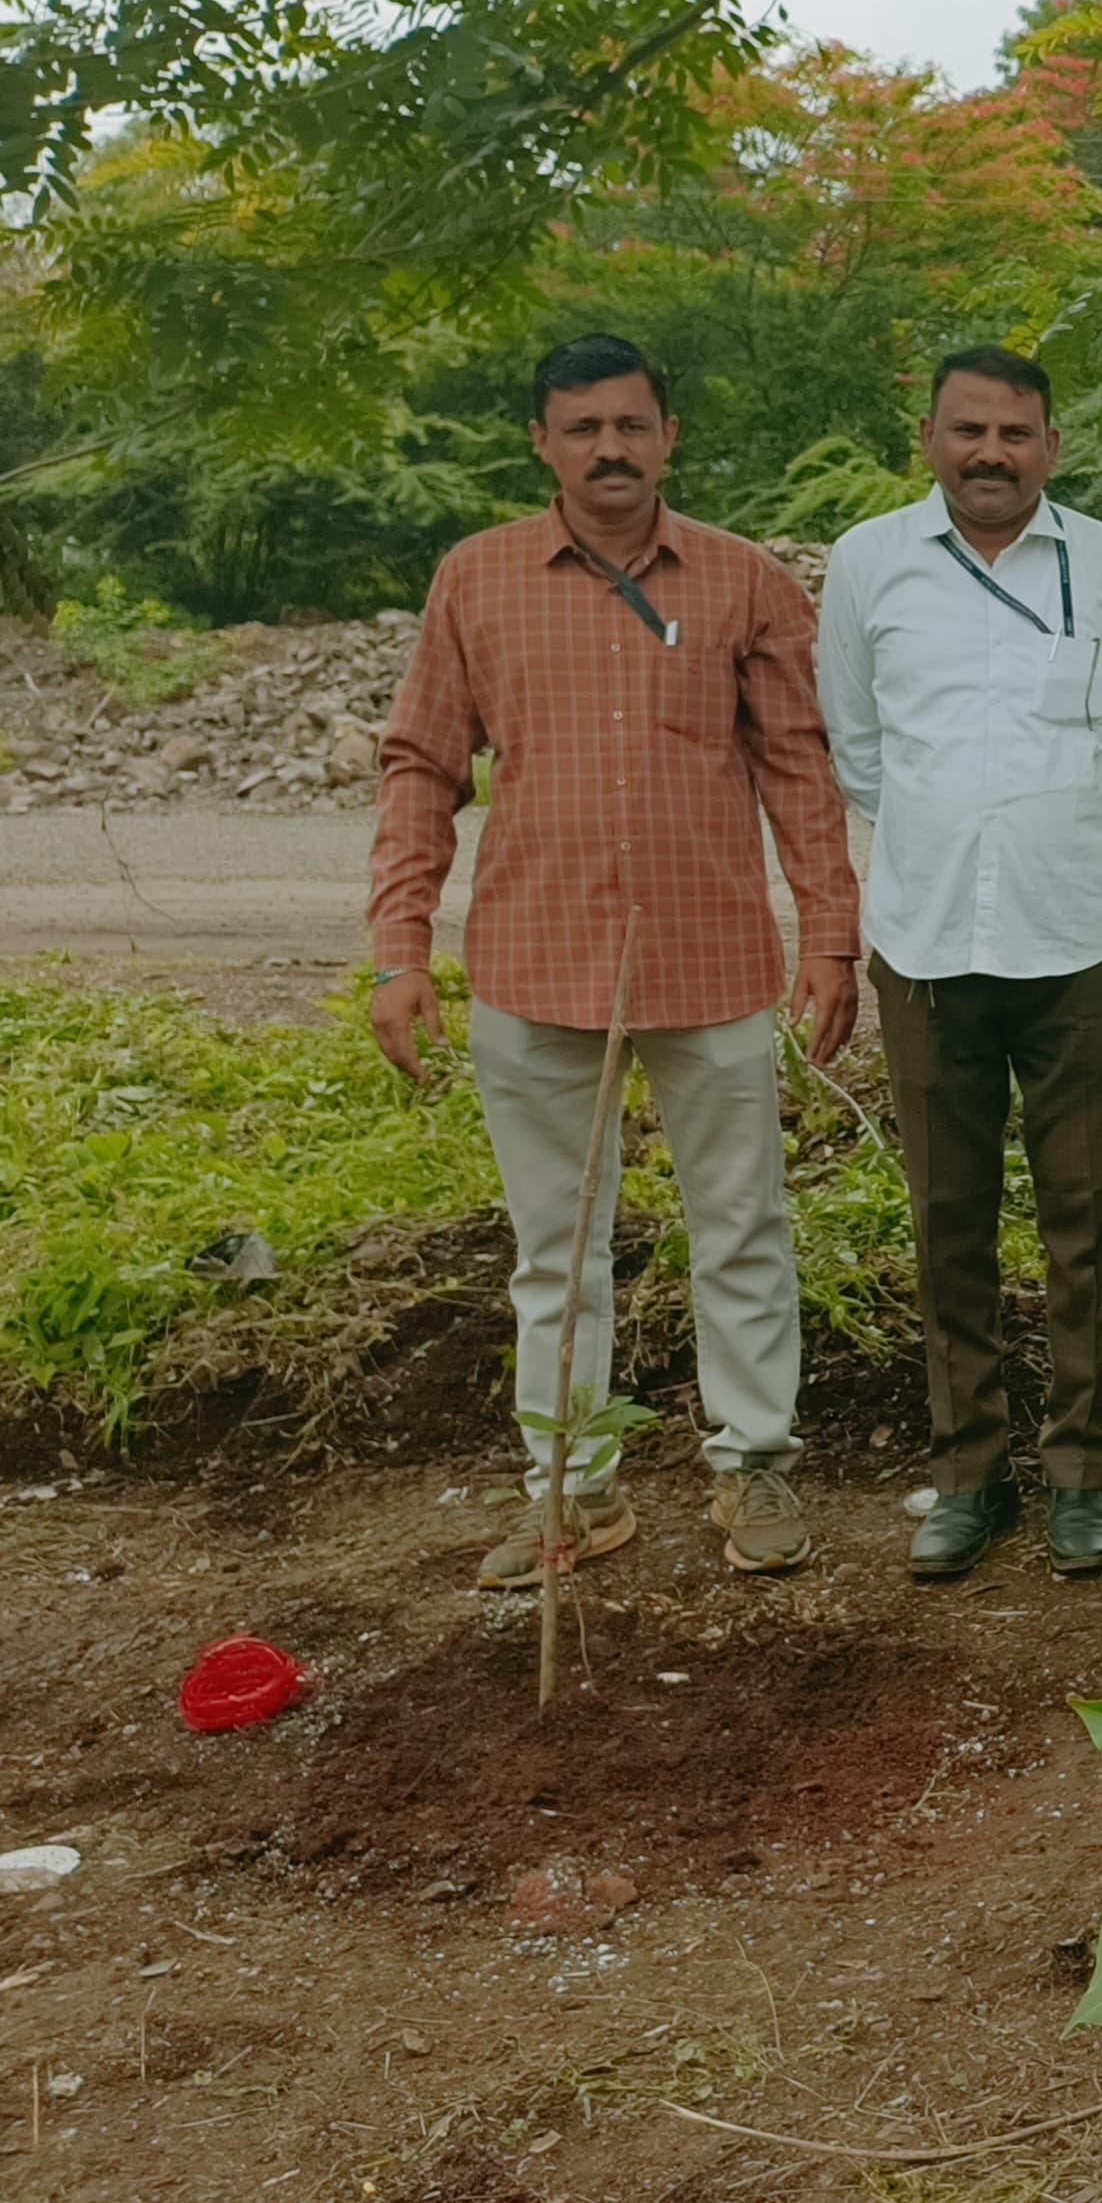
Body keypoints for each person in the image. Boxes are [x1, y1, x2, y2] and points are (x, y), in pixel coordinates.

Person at [366, 333, 860, 1587]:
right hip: (535, 965)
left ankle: (754, 1468)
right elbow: (421, 765)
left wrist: (831, 934)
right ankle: (569, 1494)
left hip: (710, 964)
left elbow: (801, 771)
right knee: (556, 1249)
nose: (609, 449)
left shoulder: (747, 582)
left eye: (631, 426)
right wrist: (399, 947)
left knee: (740, 1227)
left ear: (668, 436)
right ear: (541, 442)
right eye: (581, 429)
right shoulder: (475, 581)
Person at [817, 346, 1102, 1583]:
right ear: (928, 439)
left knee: (1083, 1218)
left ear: (1052, 448)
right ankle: (967, 1474)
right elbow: (857, 750)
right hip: (921, 941)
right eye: (968, 431)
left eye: (1016, 433)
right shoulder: (868, 565)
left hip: (1076, 939)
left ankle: (1080, 1477)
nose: (990, 455)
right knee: (947, 1219)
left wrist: (1058, 844)